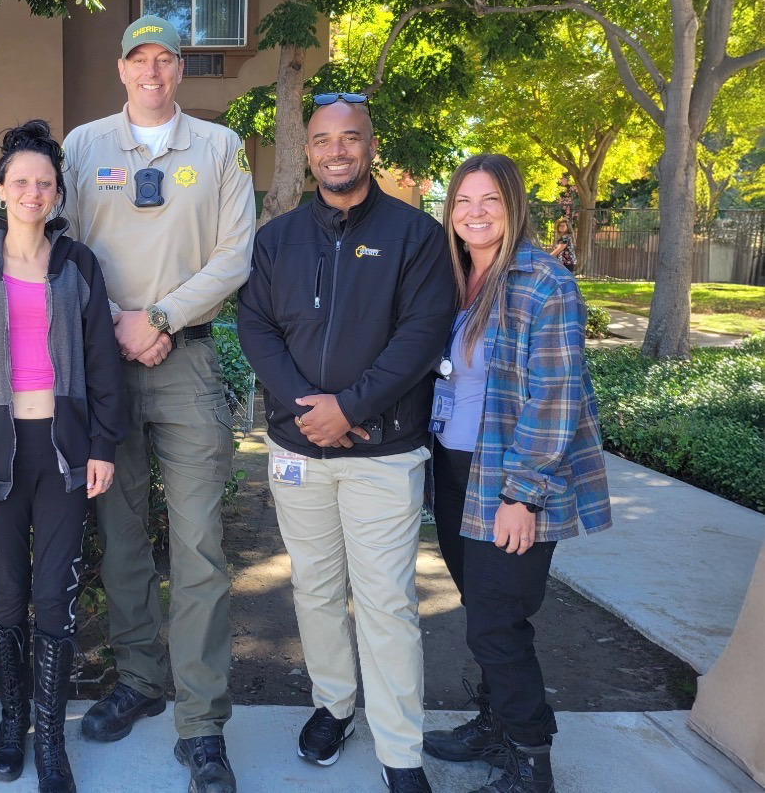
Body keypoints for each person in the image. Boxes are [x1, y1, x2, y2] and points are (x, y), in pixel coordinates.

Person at [236, 93, 456, 793]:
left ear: (370, 146)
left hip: (382, 455)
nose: (337, 150)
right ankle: (334, 705)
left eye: (350, 138)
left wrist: (351, 407)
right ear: (308, 152)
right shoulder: (276, 239)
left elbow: (421, 336)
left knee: (387, 602)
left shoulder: (416, 236)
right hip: (299, 452)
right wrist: (310, 411)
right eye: (324, 139)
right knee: (317, 590)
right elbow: (256, 328)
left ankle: (401, 752)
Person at [61, 15, 256, 793]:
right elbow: (62, 242)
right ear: (121, 68)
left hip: (187, 360)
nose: (152, 71)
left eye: (165, 59)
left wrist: (162, 317)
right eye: (139, 59)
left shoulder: (218, 148)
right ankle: (140, 677)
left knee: (202, 545)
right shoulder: (81, 147)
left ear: (181, 69)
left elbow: (235, 255)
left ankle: (203, 721)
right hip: (102, 361)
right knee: (120, 535)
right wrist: (112, 323)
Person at [0, 120, 124, 793]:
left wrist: (103, 443)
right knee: (10, 592)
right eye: (21, 181)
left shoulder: (78, 264)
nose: (33, 191)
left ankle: (50, 738)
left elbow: (102, 359)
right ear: (0, 190)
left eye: (44, 182)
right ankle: (11, 721)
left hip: (65, 450)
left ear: (57, 193)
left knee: (56, 595)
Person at [421, 155, 611, 793]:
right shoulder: (452, 280)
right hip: (453, 472)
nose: (474, 214)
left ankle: (531, 761)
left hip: (509, 478)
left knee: (497, 622)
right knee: (482, 608)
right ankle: (497, 718)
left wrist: (521, 495)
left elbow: (554, 397)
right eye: (463, 201)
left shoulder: (541, 282)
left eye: (490, 201)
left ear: (514, 207)